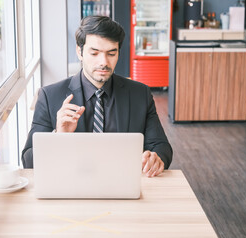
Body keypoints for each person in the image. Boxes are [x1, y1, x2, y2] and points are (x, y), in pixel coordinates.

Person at [21, 16, 172, 177]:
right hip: (71, 187)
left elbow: (161, 146)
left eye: (111, 53)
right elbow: (28, 161)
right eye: (94, 53)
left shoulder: (140, 94)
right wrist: (59, 136)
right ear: (80, 52)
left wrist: (156, 158)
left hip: (123, 183)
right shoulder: (49, 96)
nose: (103, 62)